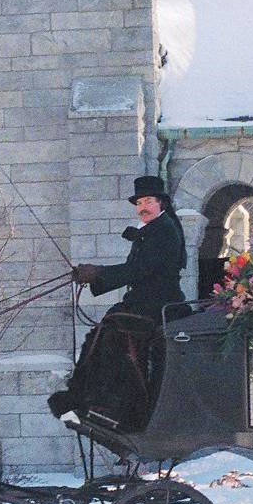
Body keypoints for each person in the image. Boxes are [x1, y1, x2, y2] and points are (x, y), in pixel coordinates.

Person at [48, 175, 186, 429]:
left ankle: (110, 406)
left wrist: (98, 272)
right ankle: (85, 398)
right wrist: (95, 274)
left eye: (148, 201)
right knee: (100, 334)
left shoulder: (165, 230)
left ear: (161, 204)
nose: (142, 207)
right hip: (143, 303)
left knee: (108, 337)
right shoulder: (153, 230)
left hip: (158, 305)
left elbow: (140, 269)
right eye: (139, 202)